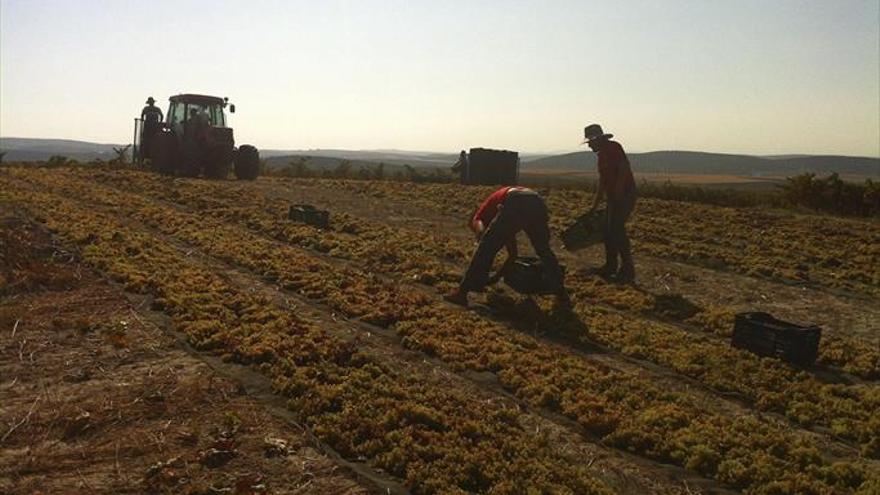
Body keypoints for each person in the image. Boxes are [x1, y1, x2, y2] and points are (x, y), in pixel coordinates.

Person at [445, 186, 569, 306]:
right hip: (536, 201)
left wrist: (481, 237)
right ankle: (561, 292)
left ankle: (462, 293)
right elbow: (512, 255)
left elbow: (479, 226)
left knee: (486, 247)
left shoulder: (481, 214)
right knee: (544, 250)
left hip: (516, 201)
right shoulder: (503, 217)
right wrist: (495, 277)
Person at [583, 124, 637, 283]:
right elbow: (603, 182)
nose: (589, 146)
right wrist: (595, 204)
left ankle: (627, 269)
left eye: (590, 142)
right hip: (614, 197)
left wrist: (619, 192)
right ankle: (610, 266)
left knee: (617, 229)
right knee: (608, 231)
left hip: (625, 194)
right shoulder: (601, 156)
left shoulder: (613, 148)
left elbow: (623, 168)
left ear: (597, 139)